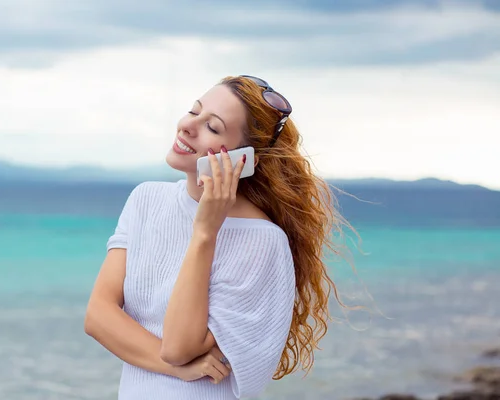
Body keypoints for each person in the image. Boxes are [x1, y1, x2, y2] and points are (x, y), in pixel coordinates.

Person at [84, 75, 351, 399]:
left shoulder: (262, 241)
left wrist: (205, 233)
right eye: (194, 111)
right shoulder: (146, 200)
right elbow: (98, 315)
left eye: (213, 127)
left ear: (244, 159)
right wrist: (175, 369)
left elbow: (179, 346)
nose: (187, 126)